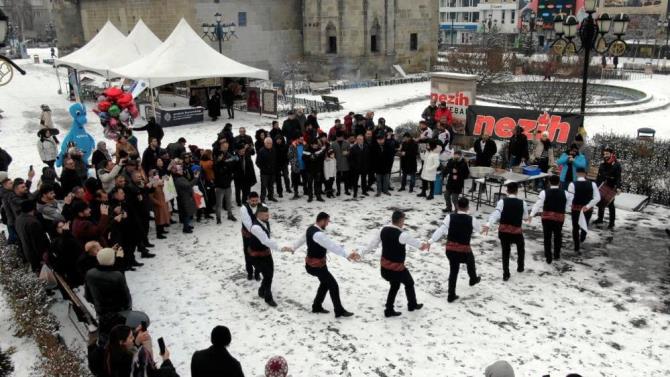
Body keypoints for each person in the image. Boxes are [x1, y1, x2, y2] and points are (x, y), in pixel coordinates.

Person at [287, 212, 359, 318]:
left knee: (325, 284)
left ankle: (316, 306)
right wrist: (347, 254)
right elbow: (331, 246)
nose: (328, 224)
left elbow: (302, 239)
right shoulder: (318, 234)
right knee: (333, 285)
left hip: (314, 265)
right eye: (327, 221)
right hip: (316, 266)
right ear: (322, 221)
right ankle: (339, 311)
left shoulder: (311, 228)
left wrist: (294, 247)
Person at [362, 211, 428, 317]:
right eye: (403, 220)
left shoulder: (383, 230)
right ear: (401, 220)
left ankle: (389, 309)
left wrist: (361, 253)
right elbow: (419, 245)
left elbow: (372, 245)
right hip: (397, 269)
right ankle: (412, 305)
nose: (404, 222)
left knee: (395, 285)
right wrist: (425, 245)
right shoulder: (402, 235)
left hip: (384, 268)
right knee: (409, 283)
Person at [430, 197, 482, 303]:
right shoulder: (472, 219)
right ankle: (473, 279)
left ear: (457, 206)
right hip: (464, 250)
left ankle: (451, 294)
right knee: (470, 260)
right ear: (468, 207)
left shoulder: (450, 217)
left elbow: (441, 230)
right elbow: (480, 230)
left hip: (451, 249)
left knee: (454, 271)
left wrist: (430, 241)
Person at [484, 182, 528, 282]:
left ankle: (506, 273)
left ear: (507, 191)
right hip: (516, 232)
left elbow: (496, 214)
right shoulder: (523, 203)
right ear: (517, 191)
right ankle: (520, 266)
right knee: (521, 247)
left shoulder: (502, 202)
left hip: (504, 232)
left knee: (505, 251)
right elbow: (525, 218)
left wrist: (488, 224)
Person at [528, 175, 573, 263]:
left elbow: (538, 204)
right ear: (559, 183)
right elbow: (569, 204)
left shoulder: (544, 192)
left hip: (547, 217)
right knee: (558, 236)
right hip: (559, 217)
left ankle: (548, 256)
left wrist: (531, 214)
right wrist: (564, 209)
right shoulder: (566, 193)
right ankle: (556, 254)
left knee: (547, 237)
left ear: (549, 182)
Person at [103, 324, 178, 377]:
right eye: (131, 337)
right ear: (121, 342)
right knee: (170, 372)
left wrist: (136, 341)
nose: (133, 338)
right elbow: (152, 374)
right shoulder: (130, 361)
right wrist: (166, 360)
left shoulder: (109, 352)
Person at [86, 248, 132, 322]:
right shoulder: (117, 276)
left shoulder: (90, 273)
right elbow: (126, 298)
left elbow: (88, 296)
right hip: (118, 313)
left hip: (101, 311)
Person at [248, 205, 279, 307]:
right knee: (268, 275)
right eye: (266, 215)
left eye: (268, 214)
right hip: (256, 256)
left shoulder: (266, 223)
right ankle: (268, 297)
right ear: (259, 215)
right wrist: (280, 247)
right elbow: (265, 240)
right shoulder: (256, 227)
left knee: (270, 274)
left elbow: (267, 238)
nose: (268, 216)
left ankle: (261, 290)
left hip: (266, 253)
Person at [567, 167, 600, 253]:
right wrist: (588, 206)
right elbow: (597, 198)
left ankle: (576, 246)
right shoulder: (592, 184)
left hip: (576, 208)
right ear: (585, 174)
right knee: (585, 222)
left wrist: (571, 205)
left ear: (577, 174)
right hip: (587, 209)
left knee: (575, 227)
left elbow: (570, 198)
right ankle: (582, 237)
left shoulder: (572, 184)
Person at [15, 200, 50, 273]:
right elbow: (38, 242)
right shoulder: (33, 222)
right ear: (33, 208)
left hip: (28, 252)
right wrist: (43, 257)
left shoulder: (18, 219)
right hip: (36, 256)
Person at [594, 147, 622, 229]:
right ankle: (600, 219)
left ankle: (612, 222)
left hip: (611, 186)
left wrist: (618, 187)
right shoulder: (602, 164)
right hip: (602, 185)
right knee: (600, 202)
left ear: (612, 154)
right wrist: (596, 186)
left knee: (611, 204)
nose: (605, 155)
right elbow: (599, 176)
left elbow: (618, 177)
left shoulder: (617, 164)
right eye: (604, 154)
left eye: (607, 154)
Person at [172, 159, 199, 233]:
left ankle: (187, 225)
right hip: (184, 198)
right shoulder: (178, 179)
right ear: (176, 171)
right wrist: (196, 178)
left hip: (186, 197)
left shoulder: (180, 177)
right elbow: (189, 185)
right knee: (186, 213)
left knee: (187, 212)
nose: (181, 170)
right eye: (179, 169)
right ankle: (185, 228)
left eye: (181, 169)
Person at [240, 192, 263, 281]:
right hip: (248, 234)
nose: (254, 202)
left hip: (259, 235)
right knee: (248, 253)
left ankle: (257, 272)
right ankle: (250, 272)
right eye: (252, 201)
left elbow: (264, 220)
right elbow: (248, 224)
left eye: (256, 200)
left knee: (258, 254)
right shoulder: (243, 209)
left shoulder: (262, 206)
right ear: (248, 200)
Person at [213, 140, 237, 224]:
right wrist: (221, 163)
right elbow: (216, 169)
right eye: (224, 147)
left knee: (228, 201)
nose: (226, 148)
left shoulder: (229, 155)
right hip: (219, 184)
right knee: (219, 204)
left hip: (228, 183)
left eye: (227, 147)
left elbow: (233, 164)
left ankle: (230, 215)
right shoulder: (216, 154)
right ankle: (218, 218)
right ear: (221, 146)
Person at [256, 137, 278, 203]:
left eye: (270, 143)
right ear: (265, 143)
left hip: (272, 171)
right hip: (264, 173)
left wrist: (274, 168)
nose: (269, 144)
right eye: (268, 143)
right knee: (264, 186)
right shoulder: (261, 151)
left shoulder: (273, 150)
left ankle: (271, 196)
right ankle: (262, 199)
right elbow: (257, 162)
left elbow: (275, 160)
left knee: (271, 185)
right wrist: (263, 168)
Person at [331, 131, 351, 196]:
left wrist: (347, 153)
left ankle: (346, 190)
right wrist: (332, 155)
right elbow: (330, 153)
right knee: (338, 179)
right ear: (336, 137)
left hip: (345, 163)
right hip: (337, 163)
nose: (340, 138)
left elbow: (350, 152)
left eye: (341, 137)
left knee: (346, 179)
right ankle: (338, 191)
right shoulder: (333, 144)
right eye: (338, 137)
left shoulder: (347, 143)